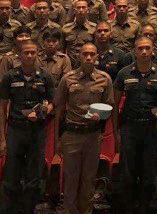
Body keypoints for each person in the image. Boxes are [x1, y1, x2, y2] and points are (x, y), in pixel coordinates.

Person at [52, 43, 116, 214]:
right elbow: (59, 109)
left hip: (93, 135)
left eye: (92, 54)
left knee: (89, 180)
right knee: (71, 179)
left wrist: (101, 117)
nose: (88, 57)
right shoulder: (68, 78)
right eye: (85, 54)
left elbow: (109, 107)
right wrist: (58, 139)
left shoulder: (105, 79)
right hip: (72, 134)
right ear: (78, 56)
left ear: (97, 57)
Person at [0, 41, 57, 214]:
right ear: (19, 54)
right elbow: (2, 107)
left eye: (33, 52)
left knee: (34, 175)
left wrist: (43, 111)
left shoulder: (45, 76)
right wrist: (2, 137)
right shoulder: (10, 76)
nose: (30, 56)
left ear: (38, 54)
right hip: (16, 129)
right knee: (11, 174)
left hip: (37, 130)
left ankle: (28, 209)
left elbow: (52, 103)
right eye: (26, 53)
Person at [114, 37, 157, 214]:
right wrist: (116, 131)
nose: (144, 52)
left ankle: (145, 208)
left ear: (153, 50)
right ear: (134, 51)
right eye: (140, 49)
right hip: (129, 128)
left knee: (148, 175)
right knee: (128, 175)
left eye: (147, 48)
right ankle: (129, 208)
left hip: (151, 129)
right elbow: (115, 104)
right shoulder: (124, 73)